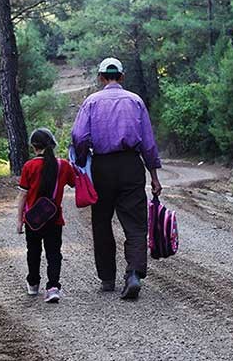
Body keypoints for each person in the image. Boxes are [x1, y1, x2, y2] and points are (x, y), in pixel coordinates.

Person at [71, 57, 162, 300]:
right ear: (121, 76)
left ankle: (107, 278)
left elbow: (79, 137)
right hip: (131, 166)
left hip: (102, 167)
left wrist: (82, 161)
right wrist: (154, 176)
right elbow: (149, 144)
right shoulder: (135, 101)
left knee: (101, 223)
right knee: (135, 224)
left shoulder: (90, 102)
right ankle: (133, 273)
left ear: (101, 77)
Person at [17, 128, 75, 303]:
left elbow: (23, 195)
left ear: (34, 147)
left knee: (33, 251)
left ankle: (33, 284)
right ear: (53, 145)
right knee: (54, 253)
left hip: (33, 220)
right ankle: (53, 287)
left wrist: (20, 220)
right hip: (54, 218)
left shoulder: (29, 166)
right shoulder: (63, 165)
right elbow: (74, 183)